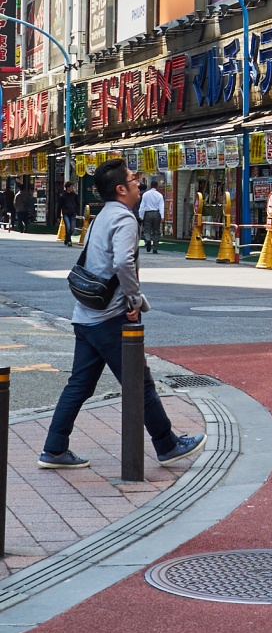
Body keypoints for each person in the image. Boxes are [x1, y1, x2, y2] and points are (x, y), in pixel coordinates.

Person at [38, 159, 206, 470]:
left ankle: (54, 447)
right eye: (132, 179)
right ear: (120, 189)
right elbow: (124, 263)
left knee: (79, 385)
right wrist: (133, 301)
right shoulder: (125, 220)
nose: (138, 182)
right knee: (139, 383)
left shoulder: (101, 216)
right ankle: (167, 444)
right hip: (110, 318)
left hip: (86, 315)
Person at [139, 177, 164, 254]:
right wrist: (162, 216)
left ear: (150, 185)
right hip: (156, 213)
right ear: (157, 186)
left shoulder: (146, 194)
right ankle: (155, 248)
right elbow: (161, 206)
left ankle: (148, 240)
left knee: (147, 229)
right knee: (156, 231)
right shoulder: (159, 195)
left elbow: (142, 206)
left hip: (147, 213)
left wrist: (141, 215)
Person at [59, 181, 80, 246]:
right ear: (68, 188)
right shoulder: (62, 196)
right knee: (68, 227)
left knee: (72, 228)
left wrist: (77, 211)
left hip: (73, 213)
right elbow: (59, 206)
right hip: (66, 214)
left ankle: (67, 238)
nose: (72, 188)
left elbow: (78, 204)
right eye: (71, 187)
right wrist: (57, 216)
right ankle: (69, 241)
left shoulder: (74, 196)